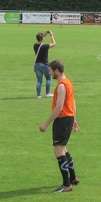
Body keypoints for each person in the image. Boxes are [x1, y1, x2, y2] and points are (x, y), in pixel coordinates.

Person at [38, 60, 80, 193]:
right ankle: (73, 178)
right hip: (68, 118)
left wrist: (46, 123)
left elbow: (59, 108)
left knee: (58, 151)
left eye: (50, 71)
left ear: (56, 71)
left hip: (62, 120)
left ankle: (66, 184)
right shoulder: (69, 83)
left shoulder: (61, 86)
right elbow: (72, 102)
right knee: (64, 149)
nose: (49, 73)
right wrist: (74, 118)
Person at [33, 31, 56, 98]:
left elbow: (41, 42)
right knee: (48, 78)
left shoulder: (35, 46)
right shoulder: (45, 46)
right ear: (42, 38)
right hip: (44, 65)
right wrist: (51, 36)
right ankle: (47, 93)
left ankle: (38, 95)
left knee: (39, 81)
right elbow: (54, 44)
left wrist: (44, 35)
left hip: (37, 65)